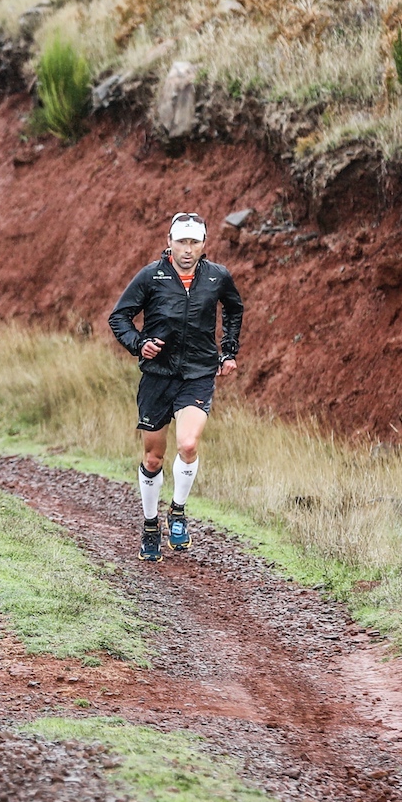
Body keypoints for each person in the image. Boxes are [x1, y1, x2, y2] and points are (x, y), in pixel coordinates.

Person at [106, 212, 243, 562]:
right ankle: (150, 525)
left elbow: (233, 308)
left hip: (198, 373)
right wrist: (139, 344)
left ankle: (178, 511)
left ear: (204, 244)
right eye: (181, 241)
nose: (187, 249)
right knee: (153, 458)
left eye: (194, 242)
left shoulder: (216, 277)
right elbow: (119, 317)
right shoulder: (151, 276)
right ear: (169, 242)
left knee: (188, 443)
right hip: (157, 376)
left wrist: (228, 351)